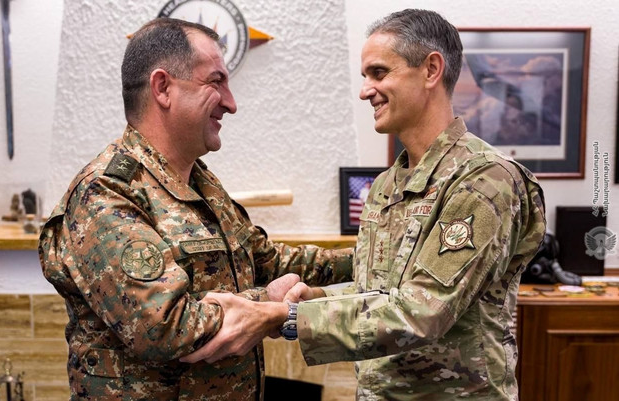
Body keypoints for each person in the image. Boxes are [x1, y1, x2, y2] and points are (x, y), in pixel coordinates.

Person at [185, 9, 546, 400]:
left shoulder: (484, 180)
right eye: (365, 76)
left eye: (379, 73)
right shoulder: (387, 186)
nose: (365, 91)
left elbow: (422, 313)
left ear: (431, 70)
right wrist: (315, 300)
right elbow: (380, 293)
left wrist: (284, 317)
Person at [38, 18, 353, 401]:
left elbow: (266, 260)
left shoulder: (201, 182)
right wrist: (271, 307)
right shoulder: (106, 192)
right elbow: (165, 327)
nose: (231, 104)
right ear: (163, 88)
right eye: (216, 81)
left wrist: (365, 256)